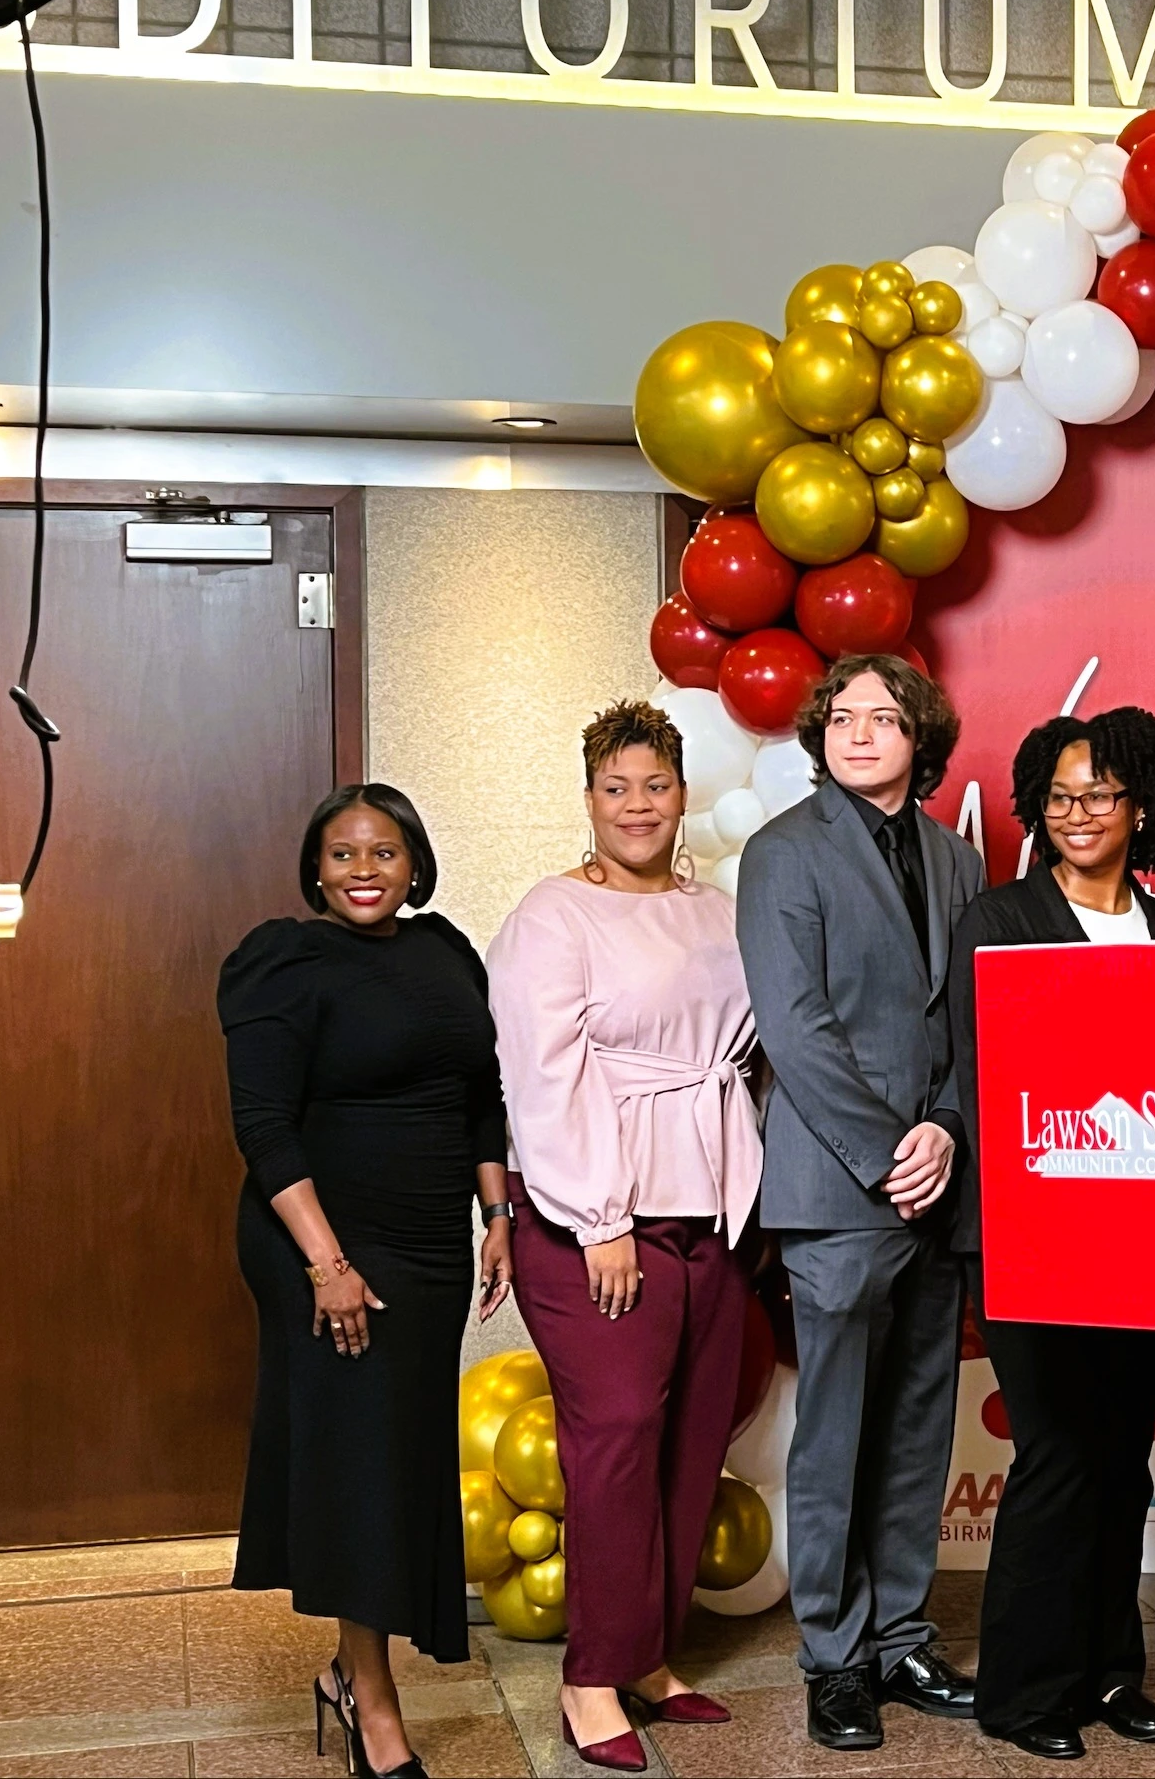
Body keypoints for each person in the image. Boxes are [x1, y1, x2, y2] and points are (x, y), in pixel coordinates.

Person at [219, 784, 513, 1779]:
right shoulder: (284, 960)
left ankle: (357, 1674)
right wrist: (328, 1263)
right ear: (315, 866)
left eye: (382, 852)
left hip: (429, 1236)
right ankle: (369, 1697)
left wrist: (497, 1216)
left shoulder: (445, 954)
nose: (361, 869)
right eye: (341, 853)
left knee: (402, 1456)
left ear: (414, 864)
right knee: (363, 1466)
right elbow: (262, 1123)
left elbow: (481, 1095)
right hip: (323, 1234)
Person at [486, 698, 758, 1771]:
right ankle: (590, 1674)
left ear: (681, 793)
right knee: (612, 1448)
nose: (637, 805)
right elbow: (541, 1081)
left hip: (713, 1213)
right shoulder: (553, 915)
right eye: (616, 787)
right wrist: (598, 1216)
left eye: (655, 785)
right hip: (599, 1221)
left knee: (694, 1438)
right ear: (589, 797)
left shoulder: (714, 910)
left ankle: (650, 1652)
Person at [736, 653, 984, 1753]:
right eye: (843, 716)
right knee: (835, 1430)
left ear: (919, 736)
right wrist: (891, 1152)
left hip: (940, 1179)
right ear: (818, 732)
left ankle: (899, 1635)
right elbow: (795, 1031)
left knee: (919, 1423)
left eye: (883, 717)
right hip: (839, 1188)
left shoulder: (957, 856)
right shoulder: (783, 852)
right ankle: (832, 1657)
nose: (860, 731)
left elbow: (972, 1018)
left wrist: (947, 1128)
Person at [945, 708, 1155, 1762]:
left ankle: (1109, 1668)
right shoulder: (998, 919)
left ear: (1142, 805)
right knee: (1056, 1456)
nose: (1078, 812)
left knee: (1122, 1457)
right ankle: (1021, 1690)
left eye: (1098, 793)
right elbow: (984, 1070)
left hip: (1145, 1239)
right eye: (1058, 795)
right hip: (1032, 1232)